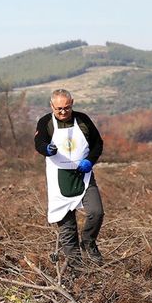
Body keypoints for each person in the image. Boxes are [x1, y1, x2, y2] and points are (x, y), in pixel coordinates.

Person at [34, 89, 105, 274]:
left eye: (67, 107)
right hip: (59, 179)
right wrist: (46, 149)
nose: (63, 112)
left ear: (72, 103)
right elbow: (38, 142)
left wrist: (90, 160)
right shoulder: (46, 122)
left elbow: (98, 143)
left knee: (96, 212)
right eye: (59, 109)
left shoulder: (82, 120)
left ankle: (89, 242)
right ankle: (78, 271)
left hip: (84, 175)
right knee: (67, 228)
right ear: (52, 106)